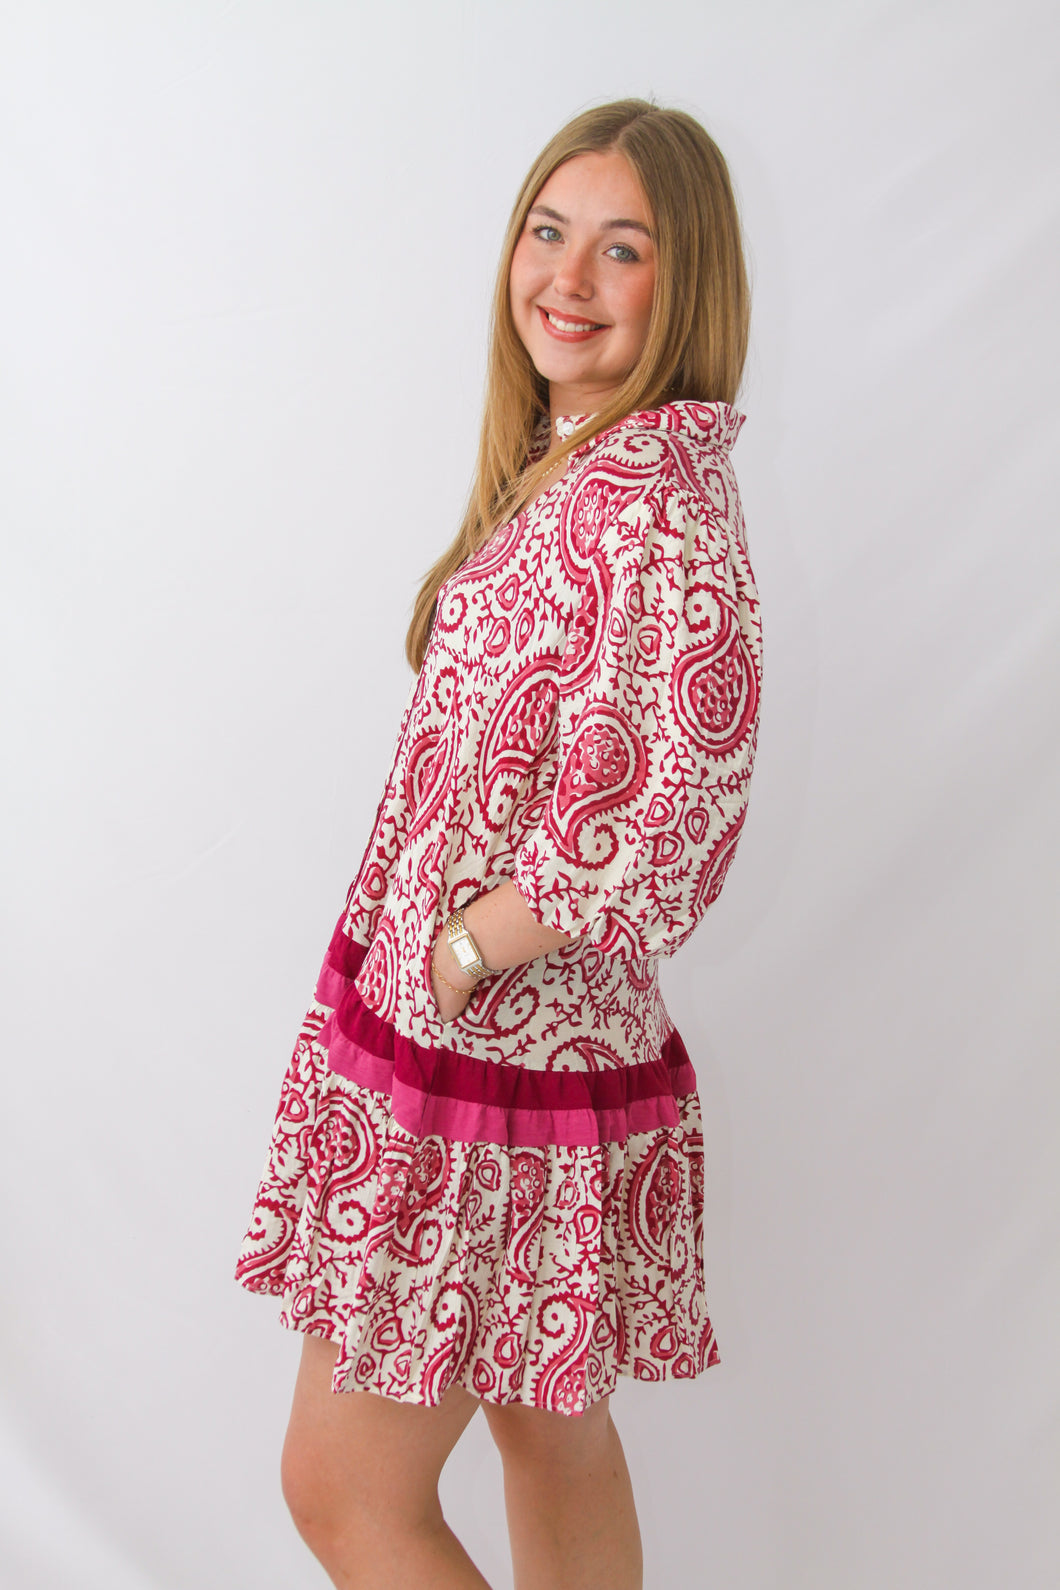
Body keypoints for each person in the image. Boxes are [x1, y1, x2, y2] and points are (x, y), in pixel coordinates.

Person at [236, 95, 761, 1590]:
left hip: (500, 1064)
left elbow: (684, 806)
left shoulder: (651, 507)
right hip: (512, 1056)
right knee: (551, 1434)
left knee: (345, 1489)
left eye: (623, 249)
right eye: (549, 231)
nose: (568, 278)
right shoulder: (578, 466)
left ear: (687, 283)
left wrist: (473, 945)